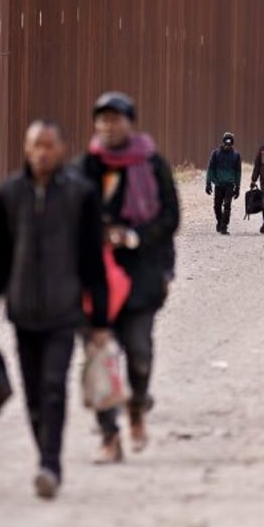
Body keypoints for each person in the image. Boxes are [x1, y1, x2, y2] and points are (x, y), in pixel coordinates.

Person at [0, 120, 110, 500]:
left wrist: (99, 319)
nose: (43, 152)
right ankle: (44, 456)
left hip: (64, 311)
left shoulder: (81, 195)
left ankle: (50, 463)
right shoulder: (8, 195)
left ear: (62, 149)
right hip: (22, 312)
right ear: (26, 148)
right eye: (36, 145)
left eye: (50, 145)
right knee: (33, 392)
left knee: (53, 387)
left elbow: (92, 264)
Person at [75, 91, 180, 463]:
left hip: (141, 274)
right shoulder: (84, 168)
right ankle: (109, 436)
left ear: (129, 122)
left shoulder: (152, 165)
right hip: (96, 277)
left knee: (138, 352)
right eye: (102, 119)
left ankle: (135, 407)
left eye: (115, 118)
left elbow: (171, 217)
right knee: (99, 355)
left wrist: (133, 236)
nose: (108, 125)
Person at [205, 132, 241, 235]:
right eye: (226, 143)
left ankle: (224, 226)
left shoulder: (236, 155)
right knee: (217, 206)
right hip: (219, 184)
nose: (227, 146)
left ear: (232, 143)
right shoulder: (216, 153)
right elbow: (210, 169)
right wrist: (208, 183)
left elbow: (238, 172)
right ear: (223, 142)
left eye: (230, 144)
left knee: (227, 205)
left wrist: (237, 187)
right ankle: (220, 222)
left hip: (230, 184)